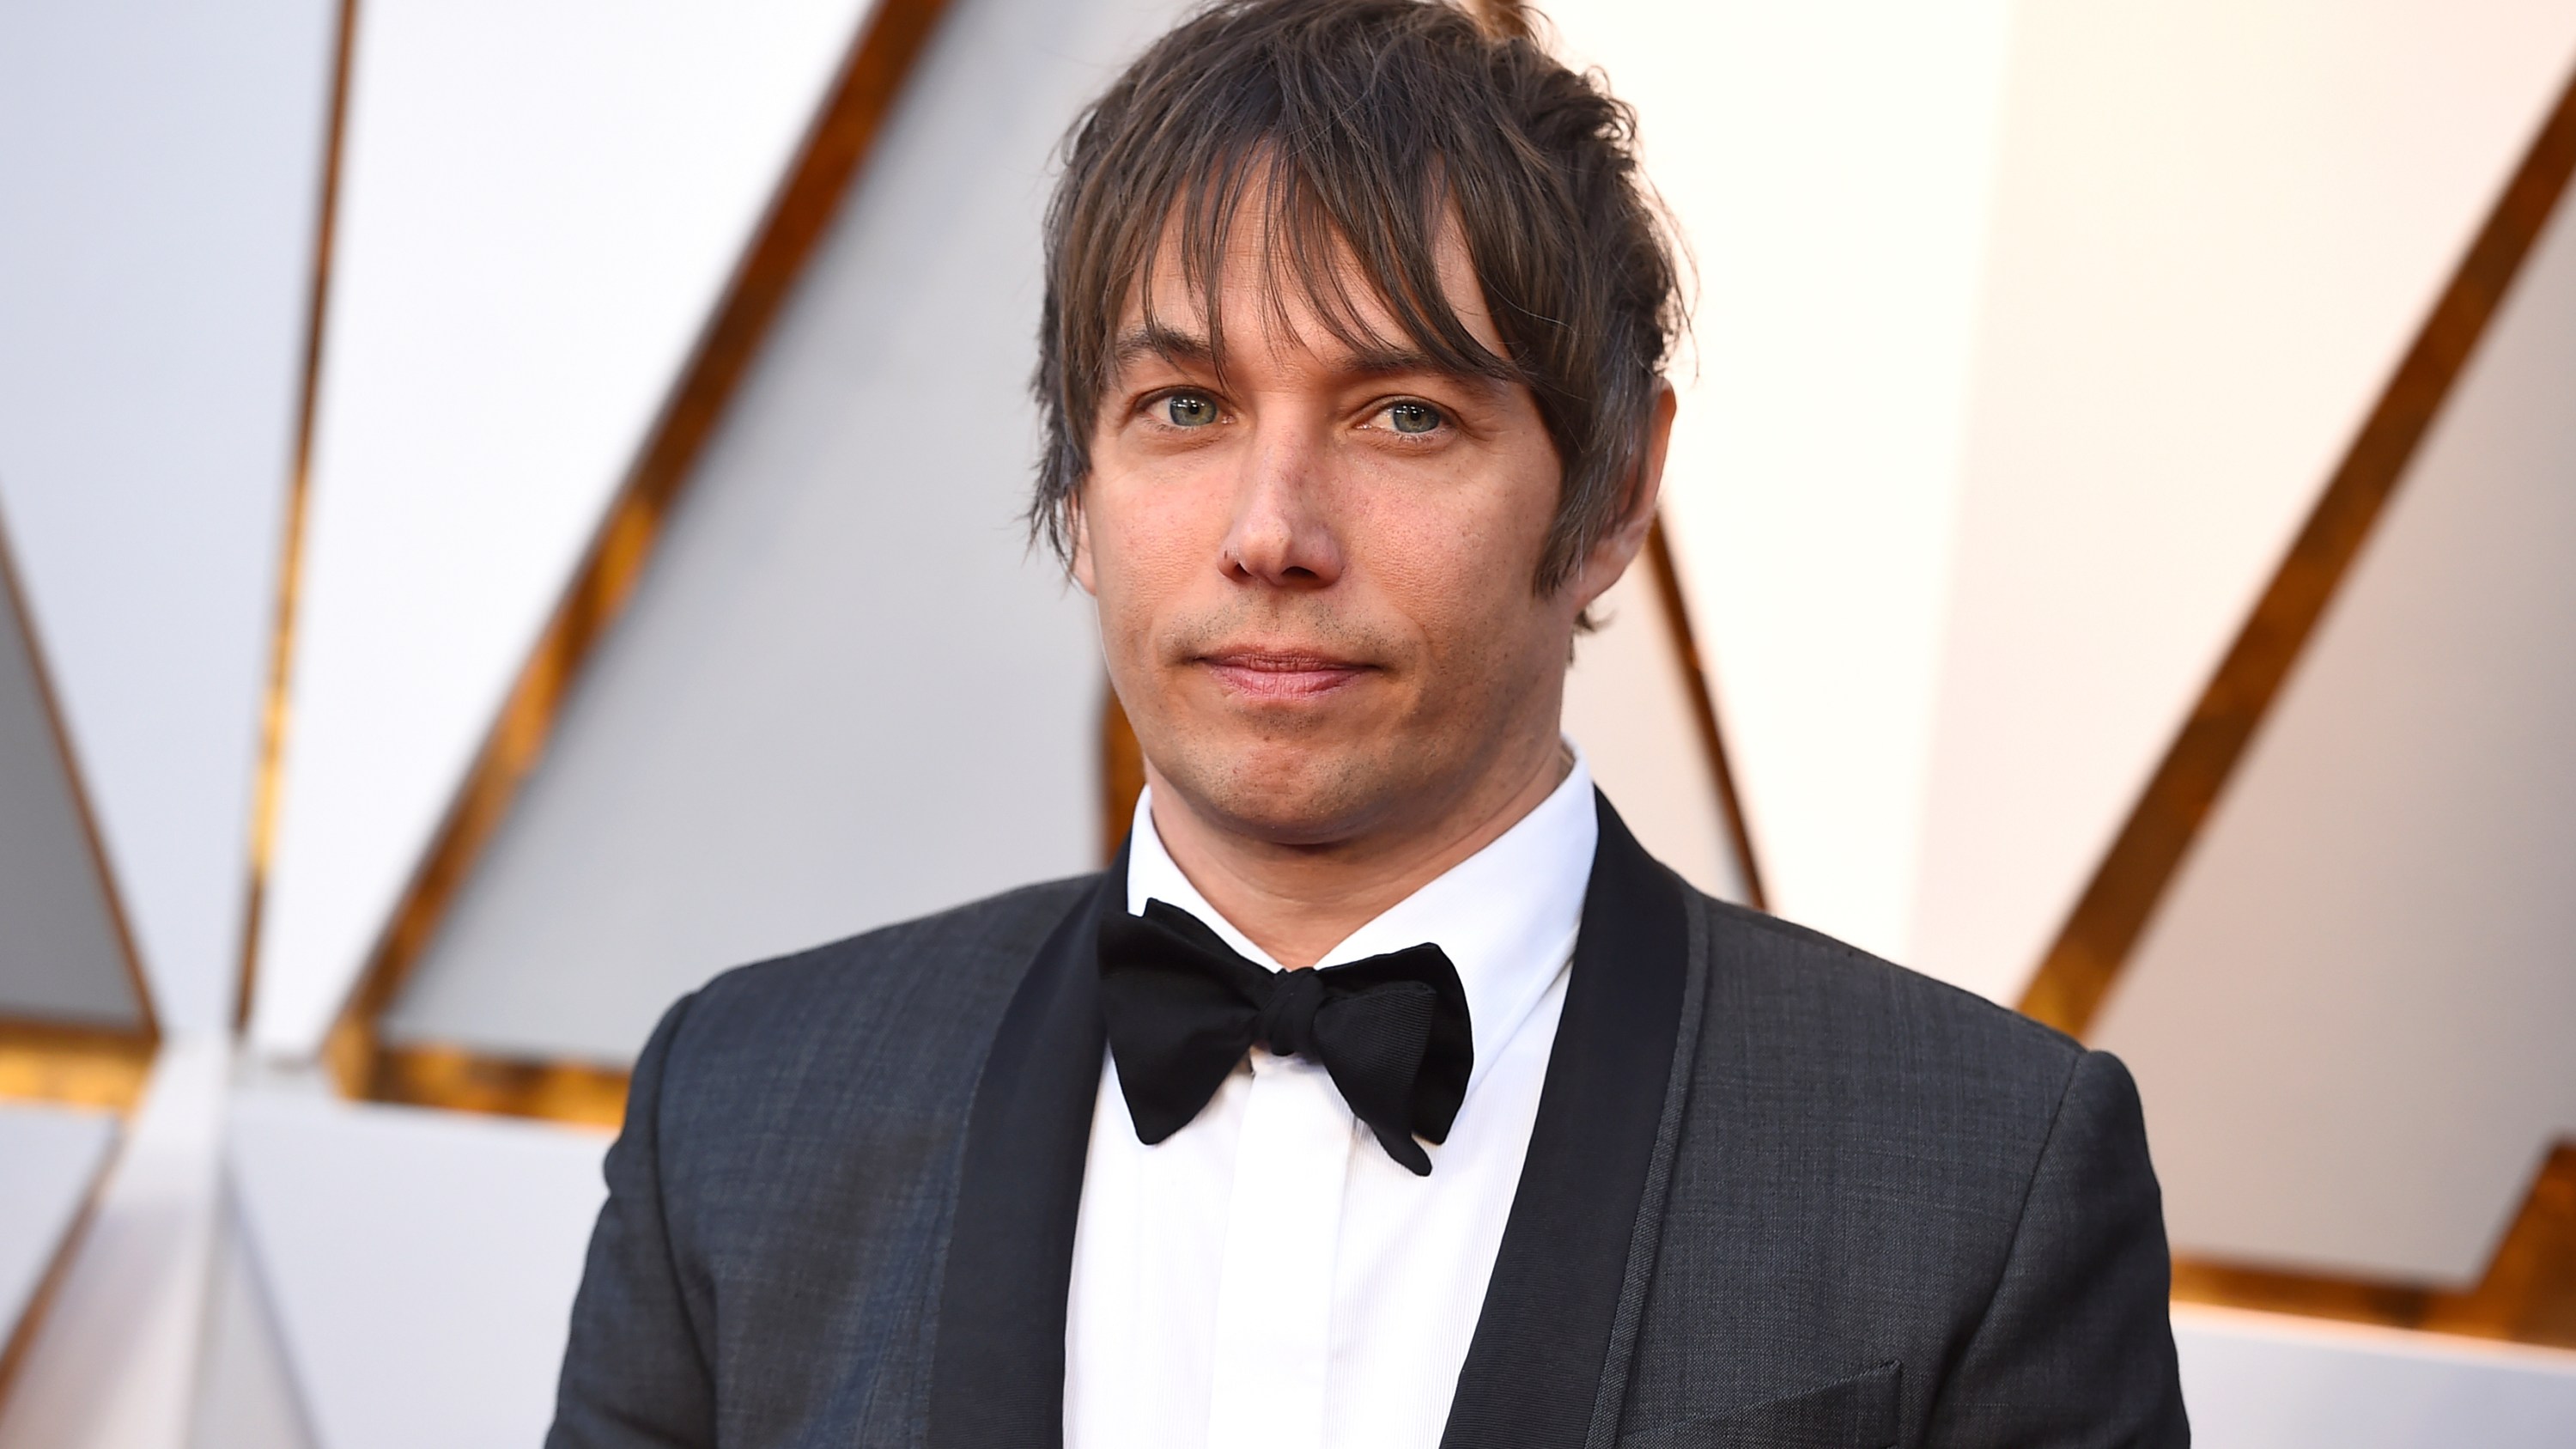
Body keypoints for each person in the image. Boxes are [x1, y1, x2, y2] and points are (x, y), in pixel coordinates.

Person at [546, 1, 2189, 1444]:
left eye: (1402, 414)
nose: (1273, 529)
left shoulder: (1982, 1179)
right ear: (1079, 480)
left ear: (1613, 489)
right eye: (1184, 408)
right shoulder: (742, 1120)